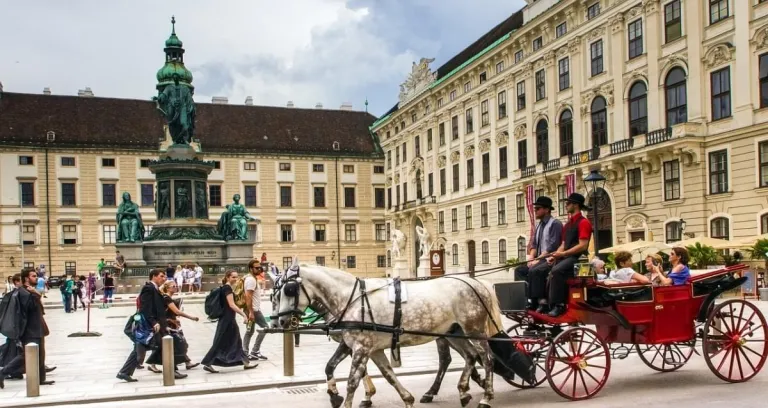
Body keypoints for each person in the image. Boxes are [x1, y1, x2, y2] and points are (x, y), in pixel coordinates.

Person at [0, 269, 54, 388]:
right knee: (26, 355)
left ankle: (41, 379)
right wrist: (36, 294)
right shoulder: (24, 292)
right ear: (26, 278)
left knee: (40, 355)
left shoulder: (28, 291)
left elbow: (40, 310)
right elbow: (30, 308)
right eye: (33, 276)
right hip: (30, 329)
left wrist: (36, 294)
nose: (36, 278)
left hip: (37, 327)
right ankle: (2, 372)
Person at [544, 193, 593, 317]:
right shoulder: (567, 224)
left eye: (568, 203)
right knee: (545, 270)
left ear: (576, 205)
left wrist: (563, 253)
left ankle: (559, 305)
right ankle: (545, 303)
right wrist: (555, 255)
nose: (565, 205)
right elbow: (563, 244)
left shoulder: (584, 223)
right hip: (567, 257)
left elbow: (583, 245)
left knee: (557, 271)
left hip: (579, 259)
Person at [201, 270, 258, 373]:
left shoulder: (225, 287)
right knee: (221, 342)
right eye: (233, 277)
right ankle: (208, 362)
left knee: (235, 341)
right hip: (228, 320)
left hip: (227, 319)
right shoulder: (227, 288)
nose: (235, 279)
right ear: (227, 277)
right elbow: (231, 305)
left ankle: (246, 363)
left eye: (236, 277)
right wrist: (244, 314)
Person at [117, 269, 168, 382]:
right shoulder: (148, 288)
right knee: (161, 345)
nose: (164, 278)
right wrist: (153, 322)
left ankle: (124, 372)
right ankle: (171, 369)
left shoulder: (154, 289)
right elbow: (145, 308)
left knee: (142, 347)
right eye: (161, 276)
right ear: (153, 276)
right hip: (149, 325)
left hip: (153, 324)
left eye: (164, 276)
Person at [515, 196, 563, 311]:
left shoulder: (555, 224)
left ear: (547, 210)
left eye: (538, 208)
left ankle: (541, 301)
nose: (535, 211)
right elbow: (534, 245)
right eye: (535, 209)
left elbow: (553, 246)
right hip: (539, 258)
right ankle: (527, 298)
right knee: (519, 270)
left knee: (535, 270)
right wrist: (531, 257)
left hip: (551, 259)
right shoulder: (539, 225)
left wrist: (538, 259)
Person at [146, 280, 199, 375]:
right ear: (167, 287)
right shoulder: (166, 298)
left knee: (176, 344)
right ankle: (158, 365)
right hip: (168, 325)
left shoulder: (167, 297)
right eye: (173, 286)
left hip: (171, 323)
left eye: (175, 286)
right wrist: (192, 317)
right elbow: (177, 312)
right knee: (176, 344)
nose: (175, 287)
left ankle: (187, 362)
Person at [243, 260, 268, 361]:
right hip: (253, 310)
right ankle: (254, 351)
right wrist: (251, 312)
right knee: (265, 327)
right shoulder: (251, 280)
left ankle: (246, 353)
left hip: (252, 309)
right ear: (250, 269)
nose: (259, 269)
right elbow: (248, 296)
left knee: (249, 331)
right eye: (256, 268)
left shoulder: (250, 278)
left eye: (260, 267)